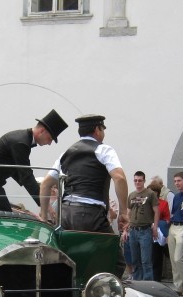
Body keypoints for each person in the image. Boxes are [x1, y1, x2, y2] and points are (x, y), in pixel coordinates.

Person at [39, 114, 129, 276]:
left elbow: (46, 184)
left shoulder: (65, 153)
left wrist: (44, 215)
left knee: (71, 258)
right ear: (97, 130)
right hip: (91, 214)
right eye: (103, 129)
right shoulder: (104, 150)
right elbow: (119, 178)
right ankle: (103, 296)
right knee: (115, 261)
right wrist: (123, 212)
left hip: (65, 214)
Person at [122, 171, 159, 280]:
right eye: (135, 180)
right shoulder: (131, 195)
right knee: (135, 260)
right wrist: (125, 230)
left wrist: (155, 227)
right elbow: (128, 214)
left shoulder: (150, 194)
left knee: (146, 260)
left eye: (140, 180)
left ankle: (148, 285)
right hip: (133, 231)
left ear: (144, 181)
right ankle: (137, 283)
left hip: (145, 230)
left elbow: (157, 211)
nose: (137, 182)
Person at [148, 180, 170, 282]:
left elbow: (167, 219)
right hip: (146, 231)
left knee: (157, 256)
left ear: (156, 192)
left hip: (158, 233)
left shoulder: (163, 203)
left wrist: (156, 225)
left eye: (151, 191)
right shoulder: (145, 202)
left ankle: (156, 279)